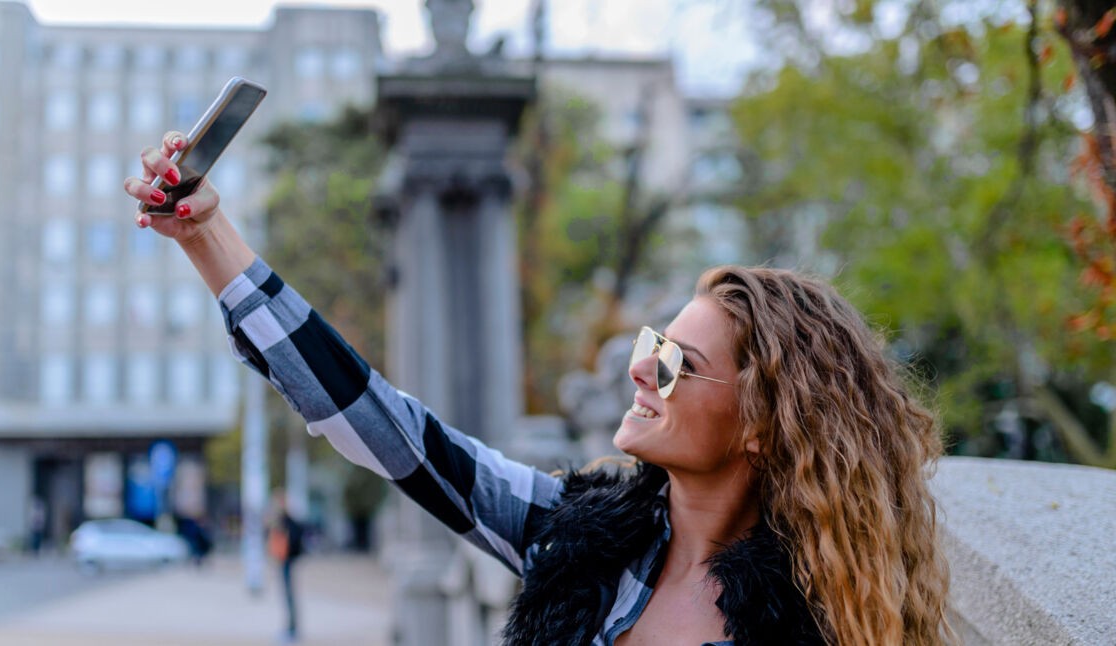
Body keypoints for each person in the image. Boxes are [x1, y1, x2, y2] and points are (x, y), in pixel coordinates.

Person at [124, 132, 954, 645]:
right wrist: (207, 237)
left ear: (764, 424)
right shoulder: (582, 538)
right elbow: (383, 425)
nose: (639, 368)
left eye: (674, 362)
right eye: (650, 343)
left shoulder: (824, 625)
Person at [267, 490, 305, 643]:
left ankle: (292, 629)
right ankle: (291, 628)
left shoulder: (287, 522)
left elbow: (294, 539)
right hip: (284, 560)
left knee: (289, 596)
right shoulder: (282, 521)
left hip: (286, 561)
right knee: (287, 596)